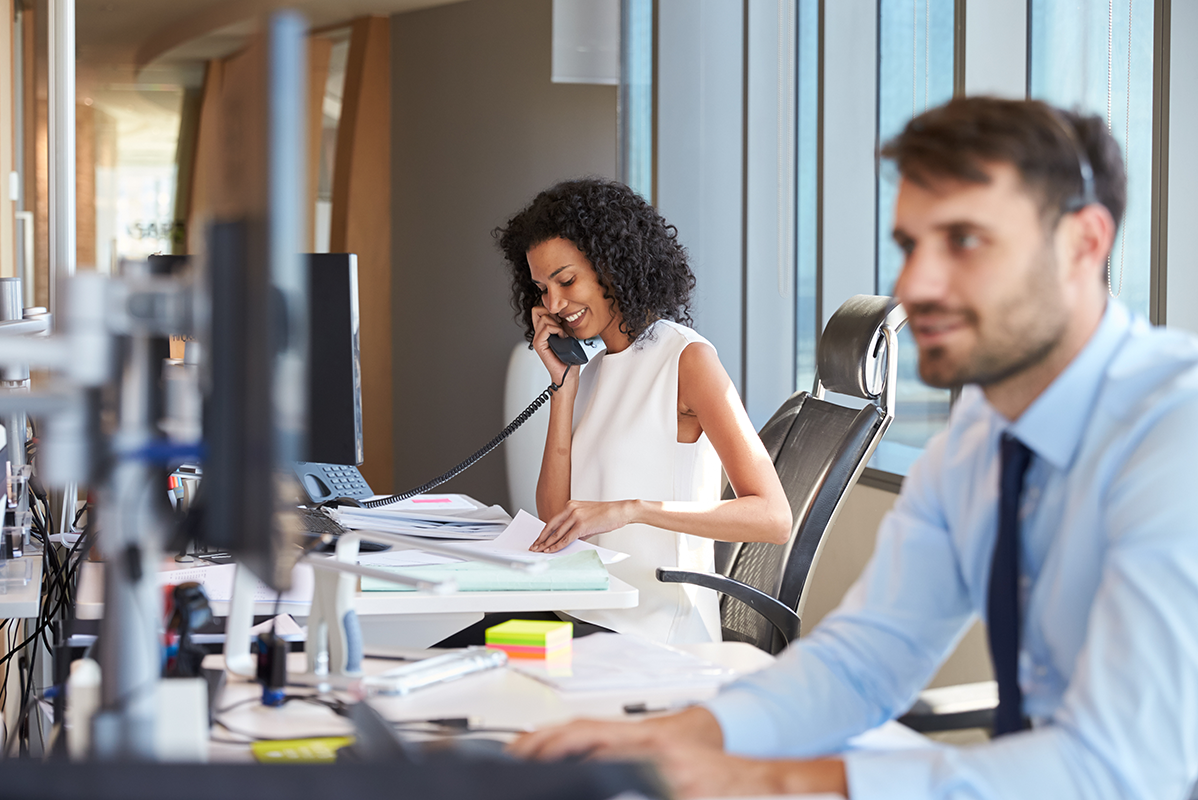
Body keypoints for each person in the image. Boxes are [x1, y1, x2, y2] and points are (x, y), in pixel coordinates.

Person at [509, 98, 1198, 799]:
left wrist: (770, 780)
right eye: (909, 246)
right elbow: (864, 662)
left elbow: (1124, 767)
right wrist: (673, 739)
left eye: (963, 240)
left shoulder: (1175, 434)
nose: (916, 286)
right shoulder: (978, 446)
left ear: (1083, 244)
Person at [495, 179, 792, 644]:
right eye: (541, 288)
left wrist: (632, 510)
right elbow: (556, 517)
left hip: (656, 633)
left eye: (567, 280)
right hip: (588, 619)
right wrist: (563, 385)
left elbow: (773, 517)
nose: (553, 304)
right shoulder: (591, 370)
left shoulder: (686, 359)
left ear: (612, 267)